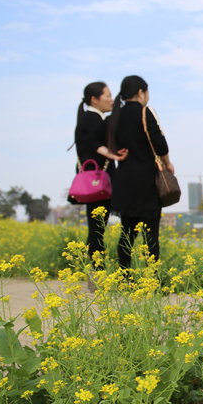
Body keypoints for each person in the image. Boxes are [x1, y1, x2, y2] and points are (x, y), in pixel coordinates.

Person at [107, 75, 174, 270]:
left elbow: (111, 145)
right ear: (140, 92)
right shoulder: (145, 113)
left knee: (127, 233)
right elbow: (160, 144)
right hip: (146, 181)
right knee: (150, 233)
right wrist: (168, 164)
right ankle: (152, 279)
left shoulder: (115, 116)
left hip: (125, 180)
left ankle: (125, 278)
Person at [74, 81, 128, 268]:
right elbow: (91, 143)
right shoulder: (90, 118)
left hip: (98, 179)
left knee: (97, 226)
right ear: (94, 99)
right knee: (97, 227)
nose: (111, 100)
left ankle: (98, 269)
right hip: (97, 180)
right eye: (108, 95)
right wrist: (112, 155)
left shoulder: (94, 118)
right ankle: (97, 271)